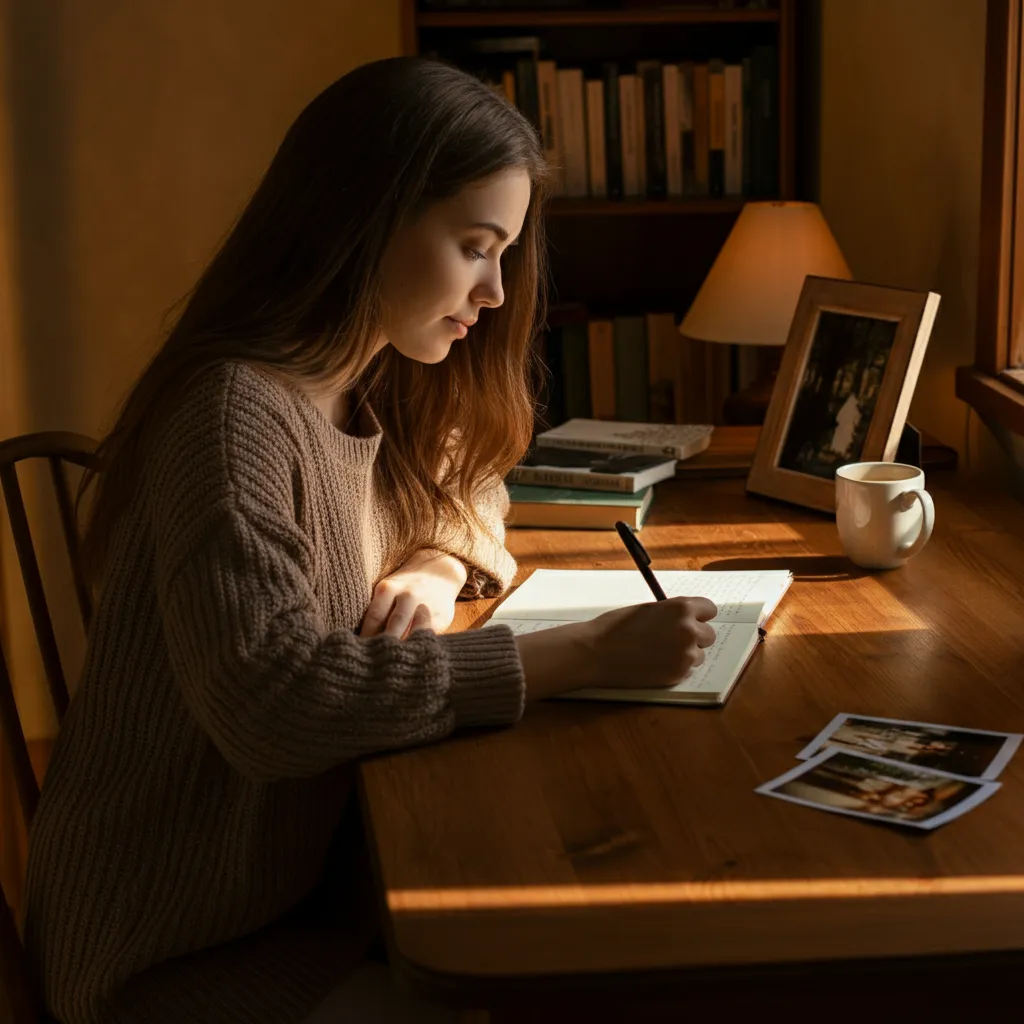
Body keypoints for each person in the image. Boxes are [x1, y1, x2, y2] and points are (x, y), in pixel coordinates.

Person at [23, 57, 718, 1024]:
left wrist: (434, 562)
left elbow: (474, 481)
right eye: (476, 246)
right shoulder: (234, 417)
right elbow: (273, 704)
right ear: (365, 217)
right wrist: (580, 652)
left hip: (309, 887)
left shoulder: (367, 370)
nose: (494, 290)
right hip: (171, 944)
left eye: (505, 253)